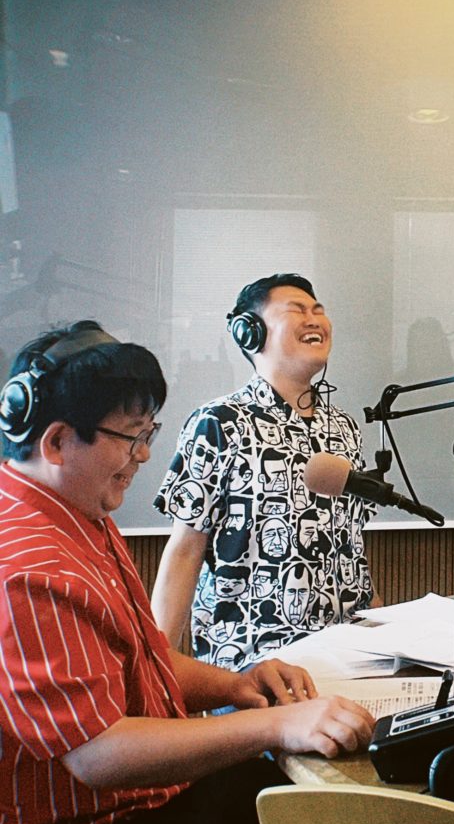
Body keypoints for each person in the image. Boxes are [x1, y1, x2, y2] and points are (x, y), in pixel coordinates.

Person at [0, 321, 374, 824]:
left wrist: (237, 685)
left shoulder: (77, 511)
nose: (145, 454)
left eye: (147, 432)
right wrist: (276, 726)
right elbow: (99, 753)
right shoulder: (25, 567)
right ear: (55, 442)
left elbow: (138, 659)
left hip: (137, 813)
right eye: (131, 436)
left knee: (315, 822)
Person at [151, 273, 375, 666]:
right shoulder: (219, 422)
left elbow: (352, 547)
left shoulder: (345, 428)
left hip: (348, 654)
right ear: (250, 332)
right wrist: (156, 668)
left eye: (318, 311)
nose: (314, 319)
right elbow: (185, 550)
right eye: (297, 310)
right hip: (253, 662)